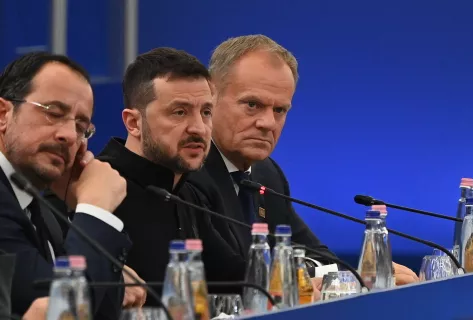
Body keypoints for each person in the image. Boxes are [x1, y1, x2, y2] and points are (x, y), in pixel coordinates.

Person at [187, 35, 420, 293]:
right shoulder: (187, 174)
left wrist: (350, 276)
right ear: (210, 98)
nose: (268, 123)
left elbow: (320, 256)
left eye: (280, 110)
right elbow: (230, 276)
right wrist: (305, 276)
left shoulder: (267, 174)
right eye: (252, 105)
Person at [45, 47, 245, 306]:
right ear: (133, 123)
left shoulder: (186, 192)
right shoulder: (86, 188)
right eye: (179, 112)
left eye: (206, 112)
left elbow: (235, 278)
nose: (198, 128)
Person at [0, 52, 131, 318]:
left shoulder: (42, 207)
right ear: (3, 115)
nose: (69, 136)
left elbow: (105, 311)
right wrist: (96, 211)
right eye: (54, 113)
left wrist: (78, 208)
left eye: (81, 126)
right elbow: (57, 309)